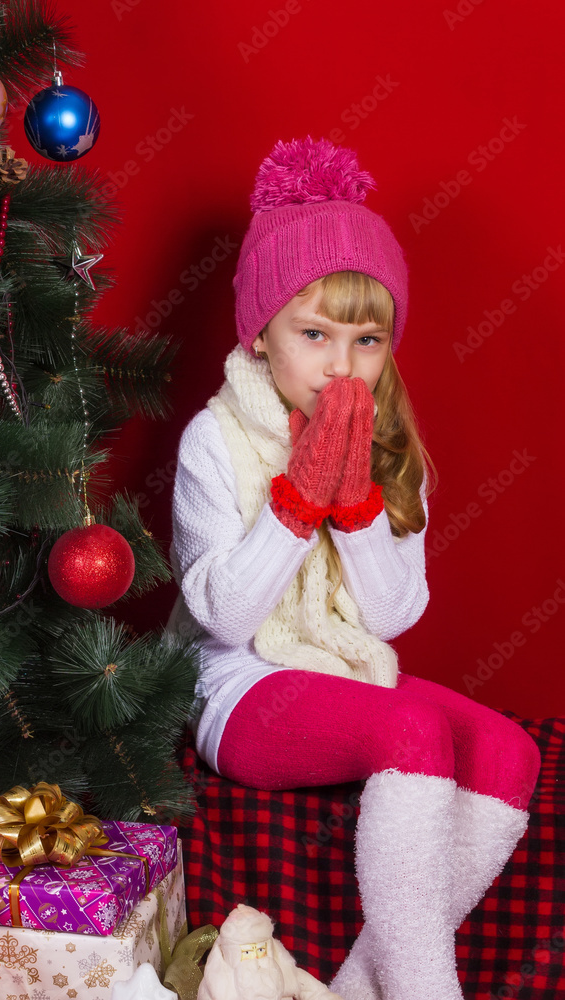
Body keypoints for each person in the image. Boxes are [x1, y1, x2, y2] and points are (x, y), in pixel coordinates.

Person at [168, 137, 541, 1000]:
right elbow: (223, 617)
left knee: (504, 750)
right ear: (261, 334)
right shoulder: (212, 441)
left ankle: (356, 982)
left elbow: (388, 616)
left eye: (366, 339)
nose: (341, 365)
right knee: (410, 736)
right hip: (235, 684)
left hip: (342, 665)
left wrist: (359, 502)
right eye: (313, 334)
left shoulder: (389, 445)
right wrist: (297, 503)